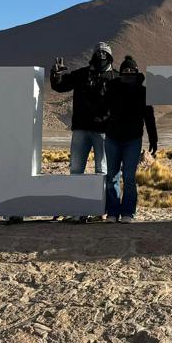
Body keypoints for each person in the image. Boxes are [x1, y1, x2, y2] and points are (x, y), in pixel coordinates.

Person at [51, 42, 117, 222]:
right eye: (99, 53)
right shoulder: (81, 74)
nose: (101, 56)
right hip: (81, 129)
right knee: (76, 168)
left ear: (110, 56)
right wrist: (56, 74)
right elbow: (60, 86)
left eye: (104, 54)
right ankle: (76, 208)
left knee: (101, 170)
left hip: (103, 132)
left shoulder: (116, 78)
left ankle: (99, 209)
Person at [103, 56, 158, 223]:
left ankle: (128, 212)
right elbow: (103, 109)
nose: (128, 73)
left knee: (129, 177)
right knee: (112, 175)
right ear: (120, 72)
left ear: (136, 72)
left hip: (133, 140)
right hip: (112, 138)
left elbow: (149, 117)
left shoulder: (143, 92)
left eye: (131, 71)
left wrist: (153, 139)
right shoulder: (112, 89)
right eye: (125, 70)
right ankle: (112, 212)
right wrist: (105, 123)